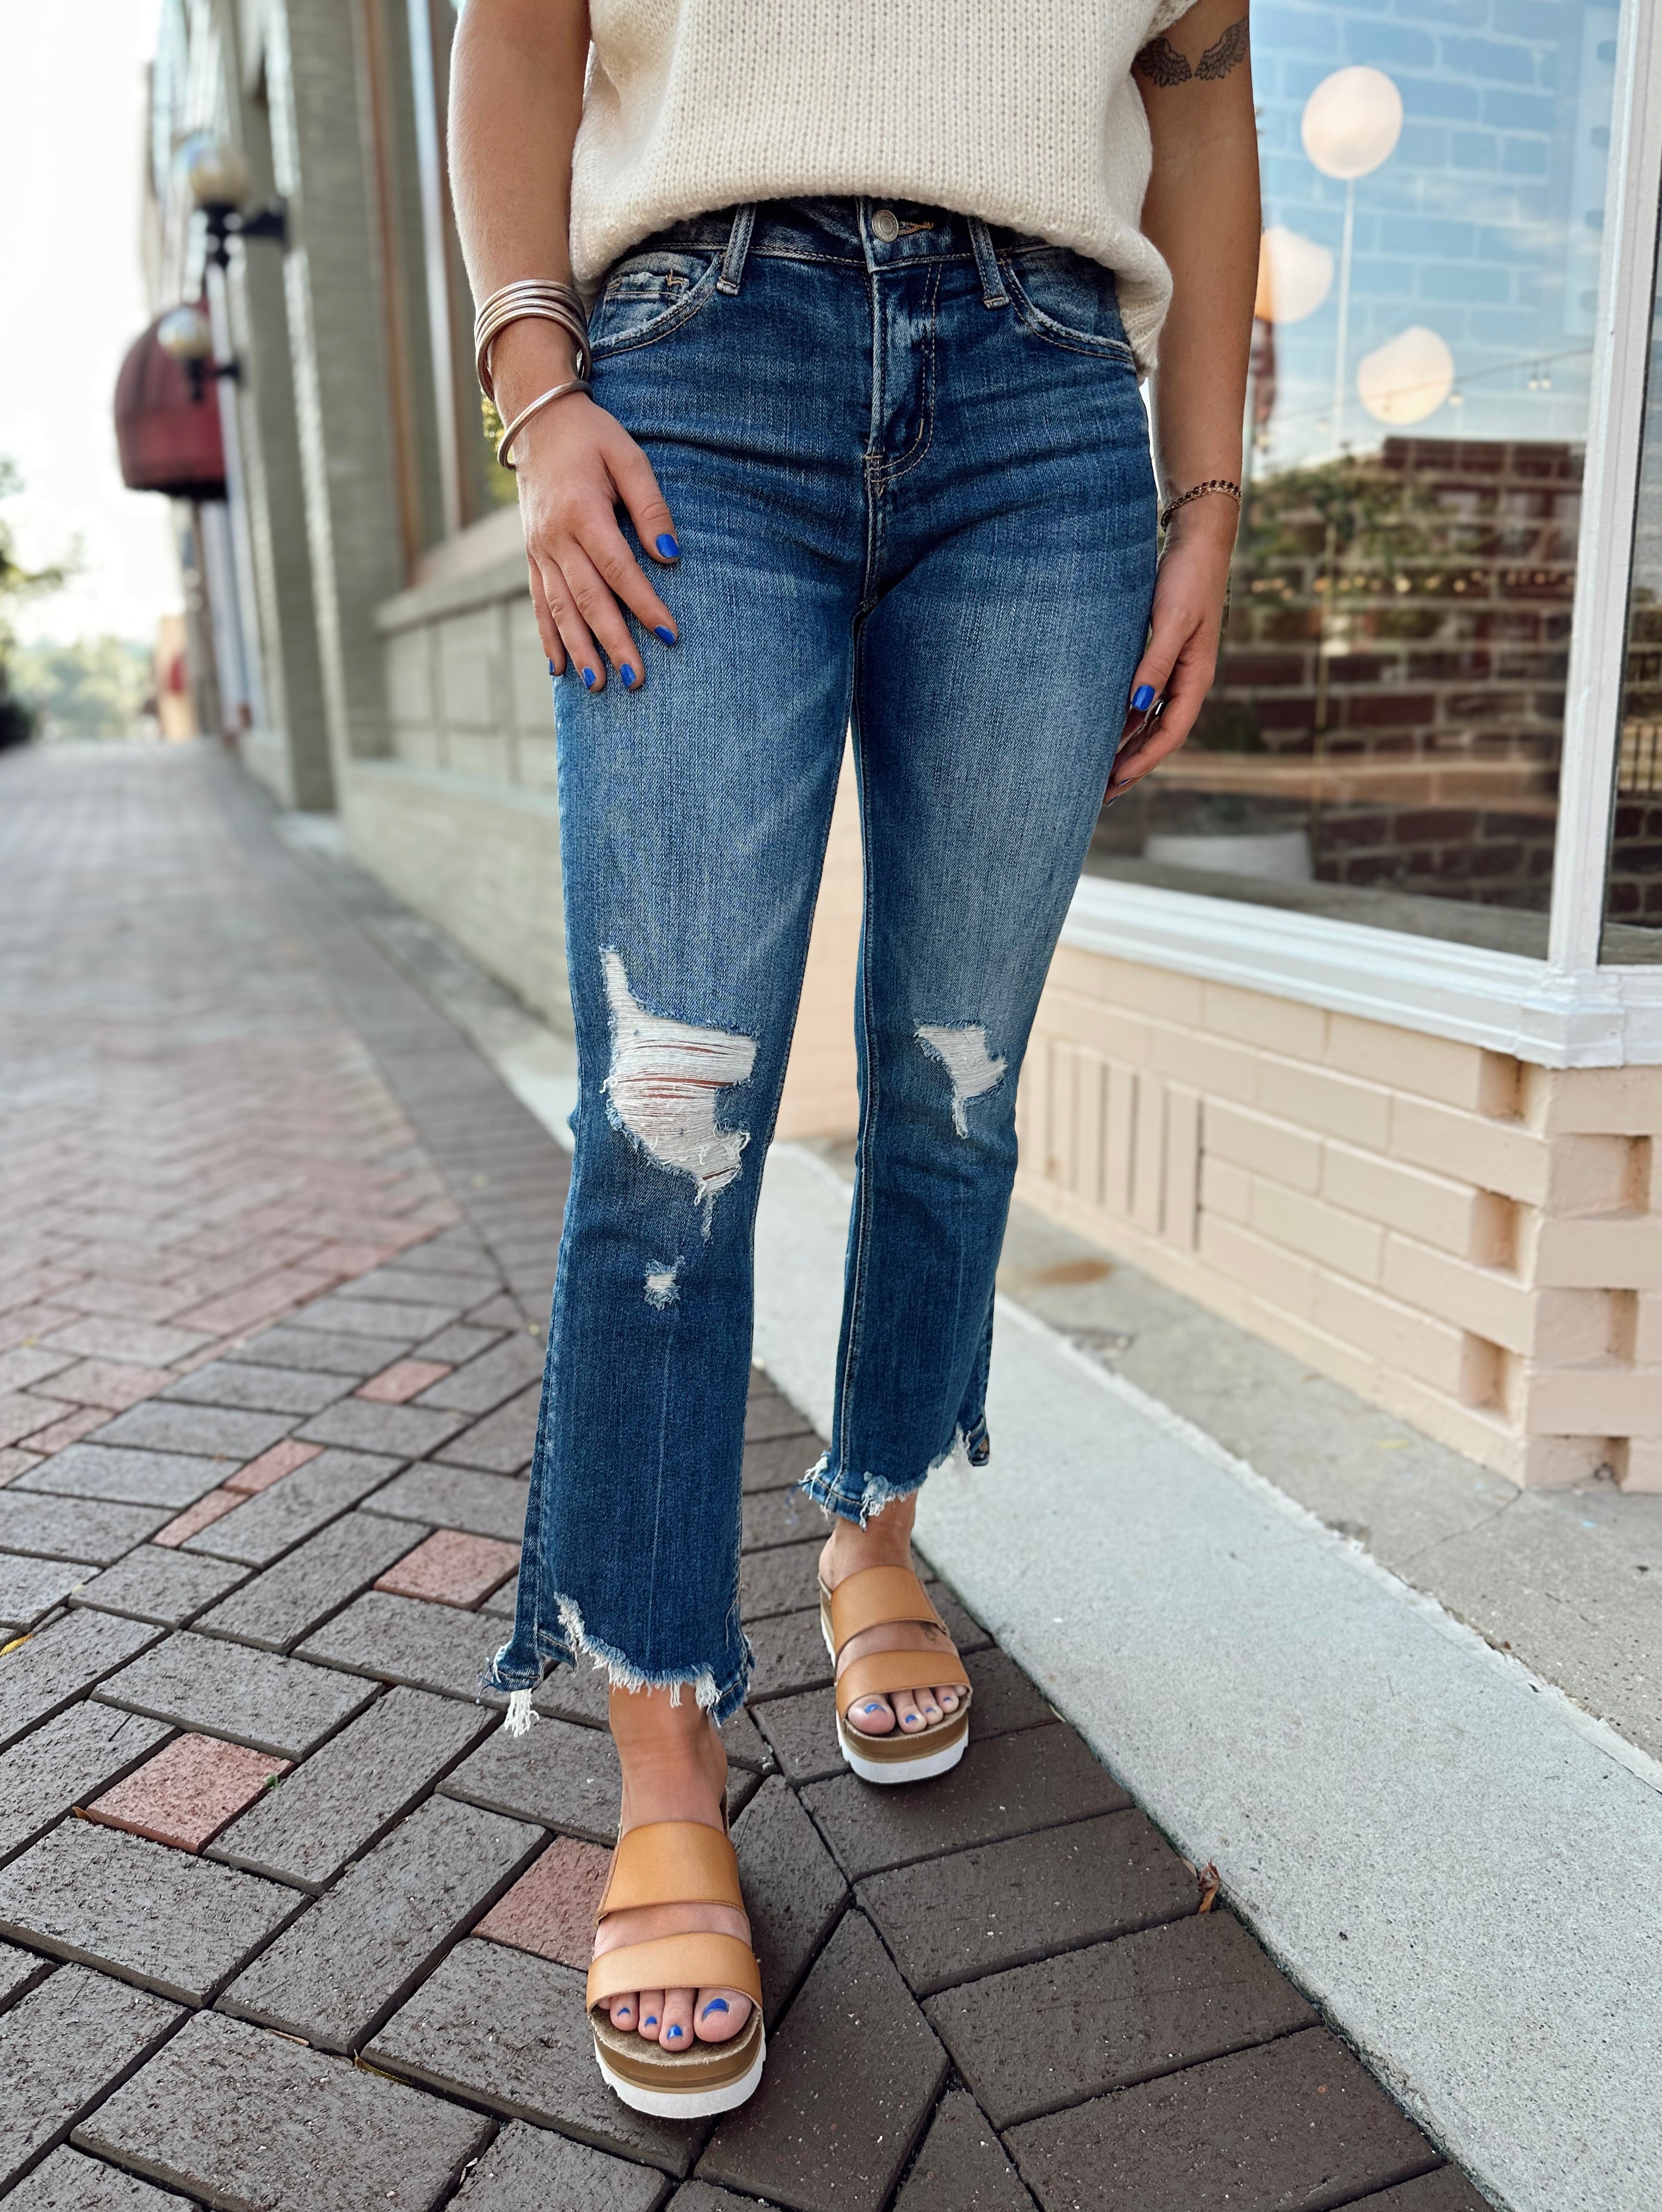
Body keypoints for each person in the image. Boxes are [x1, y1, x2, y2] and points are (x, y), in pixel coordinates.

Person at [453, 0, 1258, 2118]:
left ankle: (874, 1528)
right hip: (697, 367)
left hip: (1052, 406)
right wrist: (536, 382)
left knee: (955, 1070)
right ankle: (663, 1756)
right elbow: (517, 30)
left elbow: (1201, 100)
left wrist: (1208, 493)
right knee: (672, 1108)